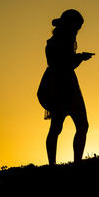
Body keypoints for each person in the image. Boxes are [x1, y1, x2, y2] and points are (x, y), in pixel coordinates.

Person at [37, 9, 95, 164]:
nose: (78, 30)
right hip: (61, 87)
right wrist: (80, 58)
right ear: (71, 25)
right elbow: (63, 64)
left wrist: (78, 58)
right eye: (77, 27)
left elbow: (66, 62)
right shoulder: (58, 42)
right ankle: (63, 164)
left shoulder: (58, 40)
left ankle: (59, 164)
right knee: (68, 126)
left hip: (62, 85)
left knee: (60, 127)